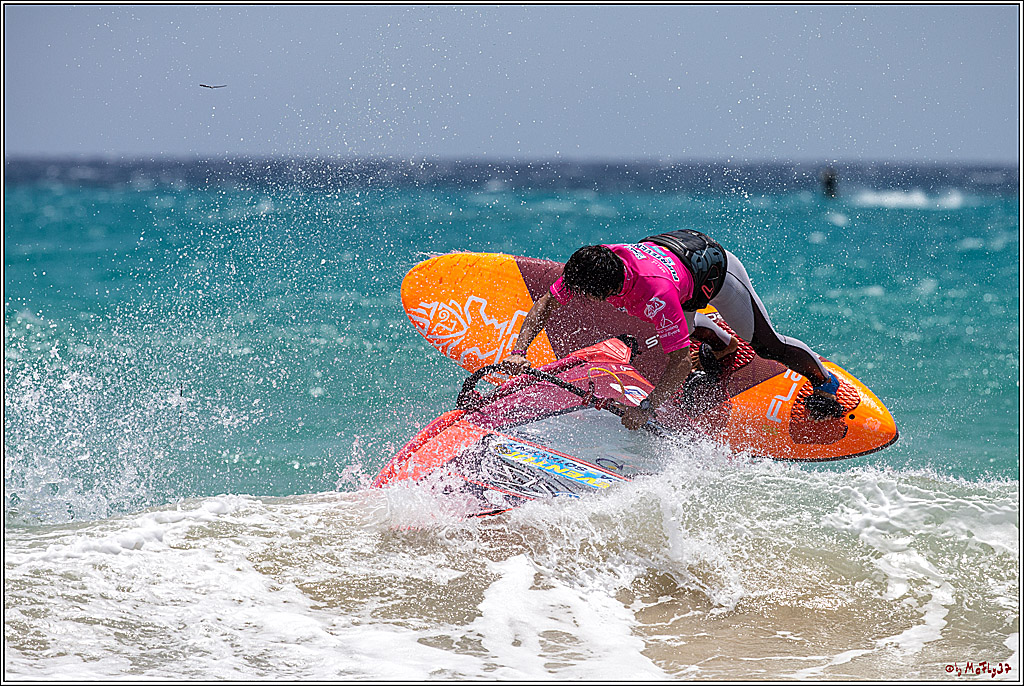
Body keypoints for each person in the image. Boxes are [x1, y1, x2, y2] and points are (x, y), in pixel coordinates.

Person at [502, 230, 845, 430]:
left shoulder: (655, 294)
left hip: (715, 273)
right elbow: (546, 302)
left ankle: (825, 381)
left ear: (606, 288)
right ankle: (723, 346)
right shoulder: (596, 263)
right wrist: (519, 351)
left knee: (767, 345)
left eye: (586, 295)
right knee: (672, 324)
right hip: (676, 265)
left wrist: (646, 409)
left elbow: (680, 362)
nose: (580, 298)